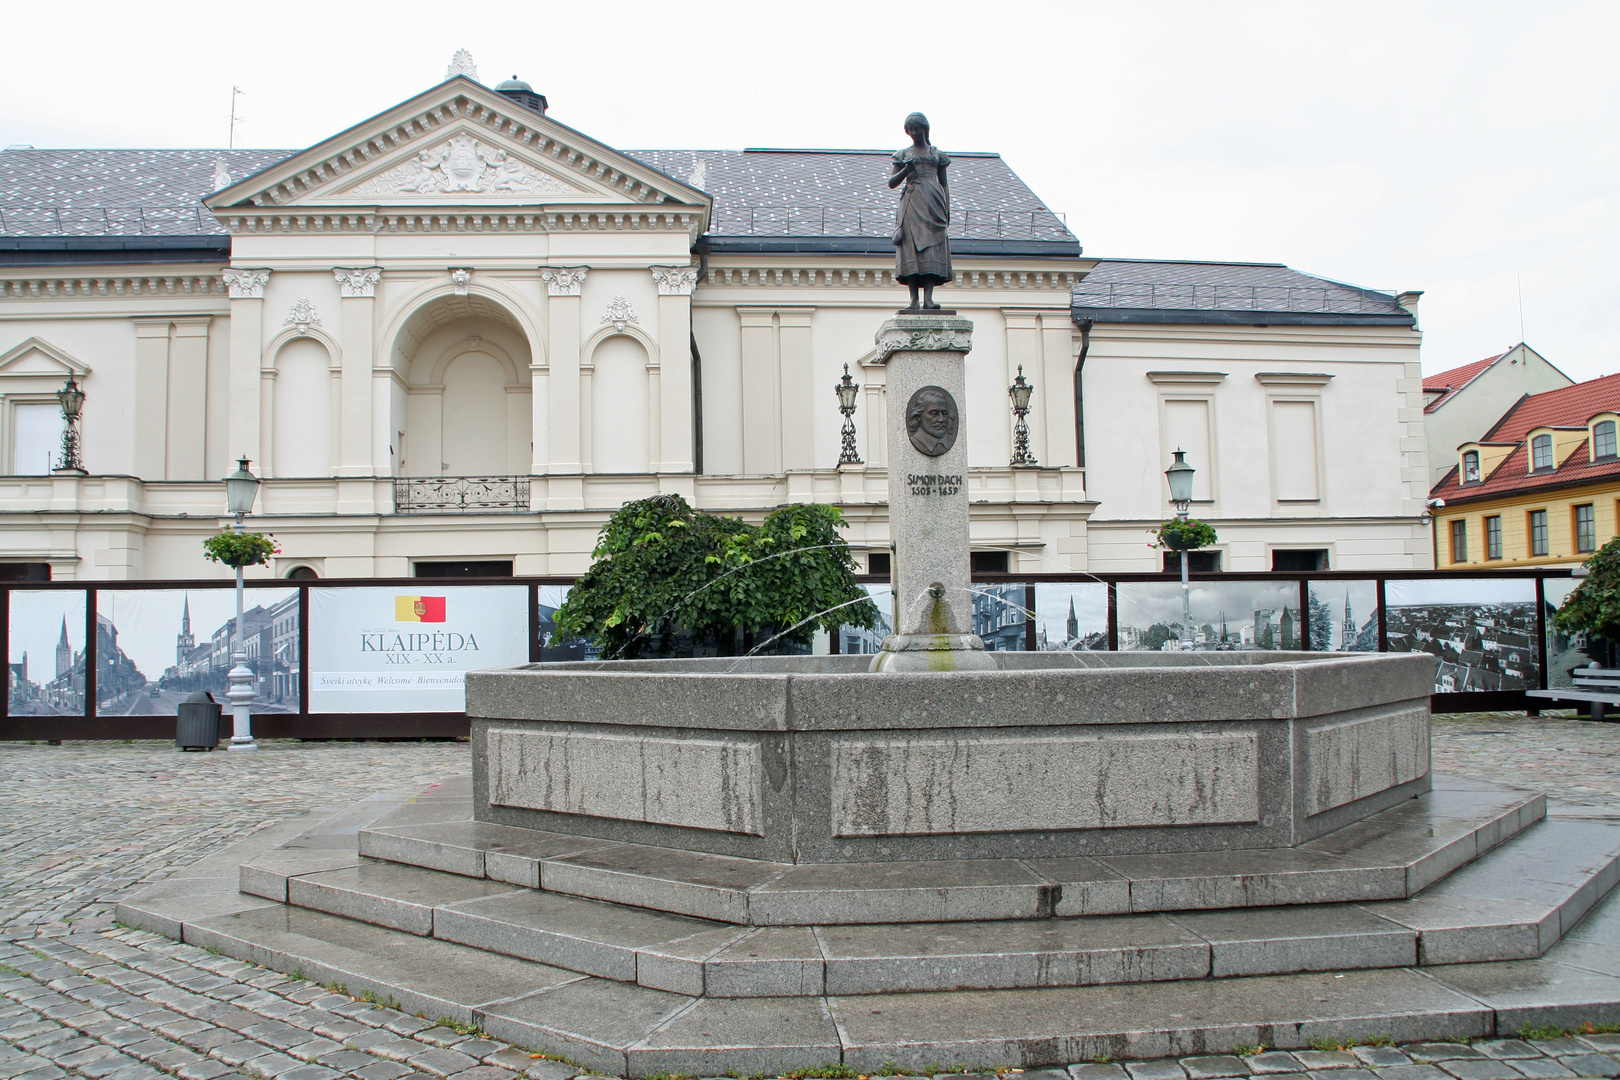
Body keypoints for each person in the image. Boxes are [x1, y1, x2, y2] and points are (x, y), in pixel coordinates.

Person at [889, 112, 952, 311]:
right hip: (911, 202)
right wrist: (906, 171)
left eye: (917, 128)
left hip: (933, 201)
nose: (914, 133)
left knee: (931, 247)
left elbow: (944, 183)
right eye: (911, 130)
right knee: (911, 248)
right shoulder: (902, 154)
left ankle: (929, 299)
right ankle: (914, 300)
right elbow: (892, 183)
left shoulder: (937, 155)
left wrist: (947, 207)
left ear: (925, 128)